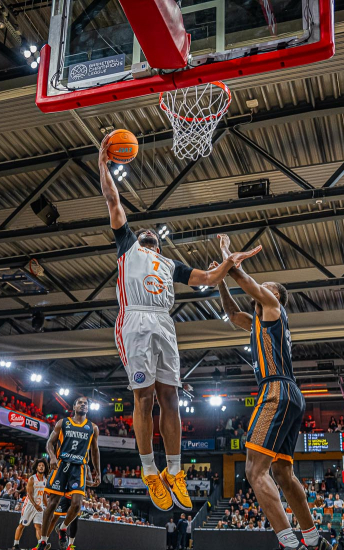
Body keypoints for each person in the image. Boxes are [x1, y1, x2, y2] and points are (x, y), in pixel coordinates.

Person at [98, 133, 260, 512]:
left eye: (155, 235)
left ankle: (174, 470)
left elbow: (207, 278)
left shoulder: (170, 265)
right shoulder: (128, 246)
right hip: (135, 319)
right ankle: (149, 470)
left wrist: (227, 262)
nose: (150, 233)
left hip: (164, 324)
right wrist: (103, 165)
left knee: (170, 397)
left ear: (161, 245)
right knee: (145, 398)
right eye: (147, 232)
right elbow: (112, 199)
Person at [212, 233, 330, 550]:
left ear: (275, 296)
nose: (262, 288)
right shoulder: (258, 323)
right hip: (291, 394)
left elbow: (245, 281)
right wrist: (221, 277)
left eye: (267, 286)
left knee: (253, 469)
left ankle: (289, 545)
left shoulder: (274, 307)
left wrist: (226, 258)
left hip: (276, 390)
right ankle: (312, 538)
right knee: (281, 471)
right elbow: (233, 312)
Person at [34, 396, 100, 550]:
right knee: (52, 504)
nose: (83, 405)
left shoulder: (93, 427)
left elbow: (95, 450)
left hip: (79, 467)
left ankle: (62, 527)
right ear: (74, 406)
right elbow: (49, 443)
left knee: (77, 505)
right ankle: (43, 542)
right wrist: (53, 458)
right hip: (62, 464)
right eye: (80, 403)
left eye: (86, 403)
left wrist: (98, 471)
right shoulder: (63, 423)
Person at [13, 460, 47, 550]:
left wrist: (47, 506)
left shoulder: (45, 480)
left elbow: (43, 495)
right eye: (39, 465)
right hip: (29, 505)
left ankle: (41, 545)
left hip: (39, 506)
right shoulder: (32, 479)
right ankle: (15, 544)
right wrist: (35, 505)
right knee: (22, 525)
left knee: (38, 526)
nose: (41, 467)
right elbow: (29, 494)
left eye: (42, 465)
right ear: (36, 468)